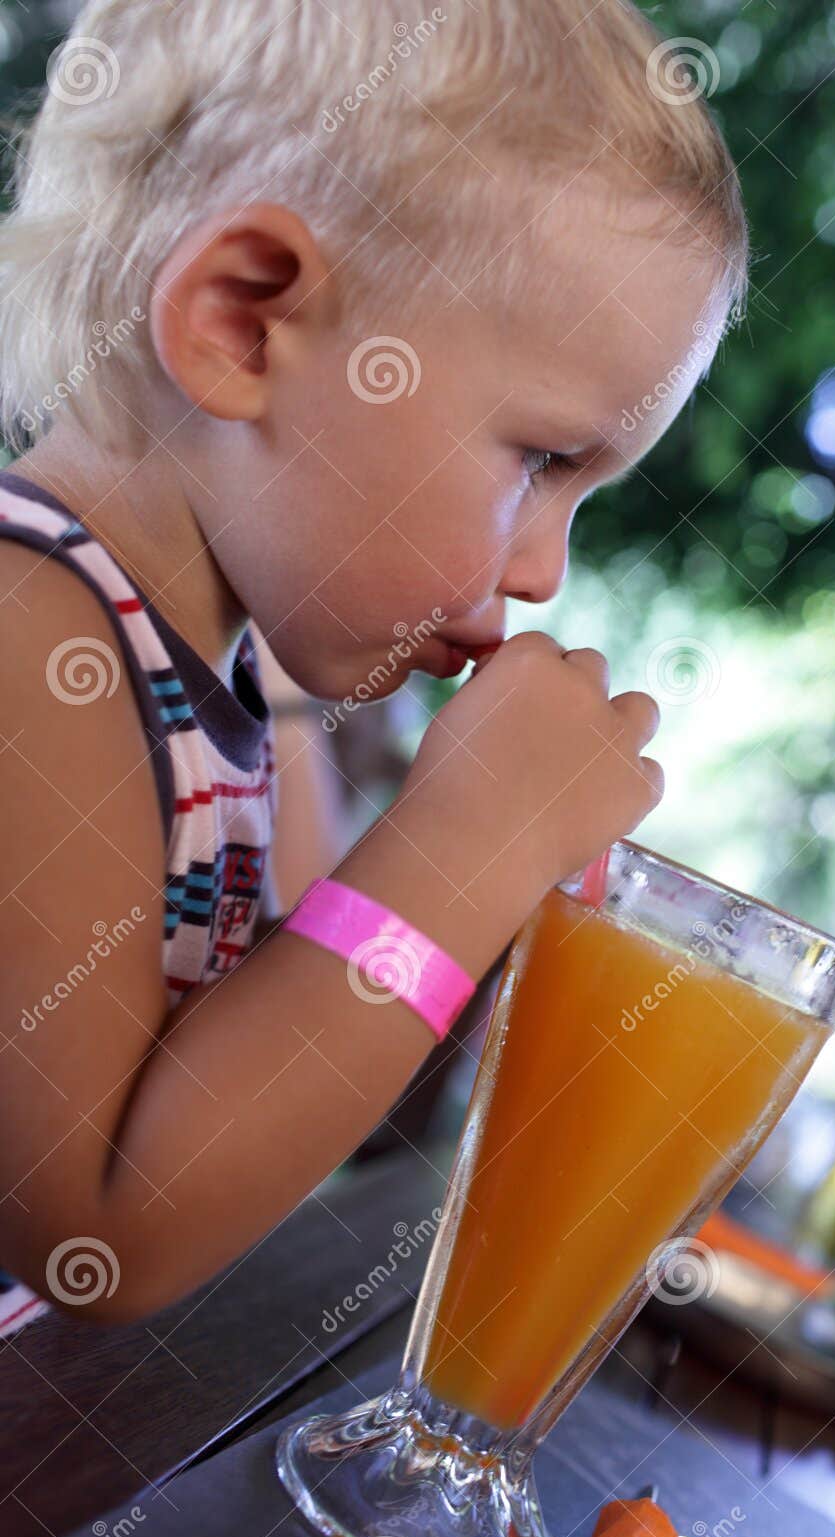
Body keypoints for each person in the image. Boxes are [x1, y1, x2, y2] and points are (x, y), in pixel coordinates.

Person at [0, 0, 747, 1324]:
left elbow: (254, 1107)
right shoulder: (28, 628)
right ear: (246, 322)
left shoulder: (218, 696)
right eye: (540, 460)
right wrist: (462, 851)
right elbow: (101, 1231)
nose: (541, 572)